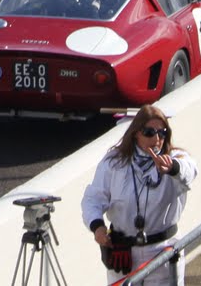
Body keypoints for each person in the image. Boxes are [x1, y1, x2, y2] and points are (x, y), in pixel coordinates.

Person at [81, 106, 195, 286]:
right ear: (136, 134)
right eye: (149, 132)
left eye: (162, 133)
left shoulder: (175, 157)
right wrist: (97, 227)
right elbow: (92, 199)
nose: (157, 139)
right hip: (124, 254)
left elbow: (190, 171)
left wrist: (172, 168)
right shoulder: (115, 162)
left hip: (162, 252)